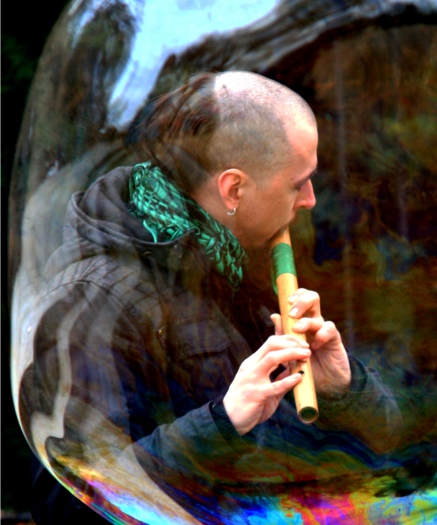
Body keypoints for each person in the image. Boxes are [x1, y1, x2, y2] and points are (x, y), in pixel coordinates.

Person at [22, 71, 401, 523]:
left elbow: (382, 450)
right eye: (298, 183)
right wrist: (223, 421)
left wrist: (343, 388)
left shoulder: (236, 262)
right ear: (233, 189)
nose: (310, 200)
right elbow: (66, 504)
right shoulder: (95, 297)